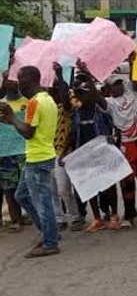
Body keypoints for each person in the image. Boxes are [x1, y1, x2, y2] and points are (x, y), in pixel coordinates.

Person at [79, 57, 137, 230]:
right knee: (127, 183)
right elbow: (96, 96)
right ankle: (130, 215)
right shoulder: (109, 104)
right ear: (109, 89)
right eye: (115, 84)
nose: (119, 85)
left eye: (120, 82)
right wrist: (87, 74)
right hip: (127, 145)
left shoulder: (130, 92)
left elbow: (134, 79)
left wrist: (132, 60)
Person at [0, 66, 60, 257]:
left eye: (19, 81)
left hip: (38, 158)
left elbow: (28, 132)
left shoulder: (35, 102)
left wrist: (11, 115)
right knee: (22, 195)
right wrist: (11, 121)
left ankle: (51, 242)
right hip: (39, 156)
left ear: (26, 81)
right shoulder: (46, 99)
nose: (18, 85)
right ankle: (49, 232)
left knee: (43, 202)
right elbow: (30, 127)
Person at [67, 72, 120, 232]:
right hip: (84, 150)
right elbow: (73, 134)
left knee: (109, 183)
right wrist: (68, 154)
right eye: (78, 91)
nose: (81, 94)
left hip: (102, 149)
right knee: (89, 186)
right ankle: (97, 218)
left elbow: (114, 123)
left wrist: (114, 137)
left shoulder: (100, 107)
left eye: (84, 90)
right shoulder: (77, 111)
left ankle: (114, 215)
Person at [50, 64, 82, 230]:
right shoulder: (45, 105)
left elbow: (65, 98)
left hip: (63, 151)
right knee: (52, 190)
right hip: (47, 152)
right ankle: (59, 218)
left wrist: (60, 76)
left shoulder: (66, 106)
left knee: (63, 189)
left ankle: (74, 216)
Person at [0, 73, 27, 233]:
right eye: (8, 79)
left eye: (14, 79)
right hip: (5, 152)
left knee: (26, 186)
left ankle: (27, 214)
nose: (12, 82)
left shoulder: (28, 101)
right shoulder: (2, 102)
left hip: (24, 150)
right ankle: (16, 218)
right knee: (9, 187)